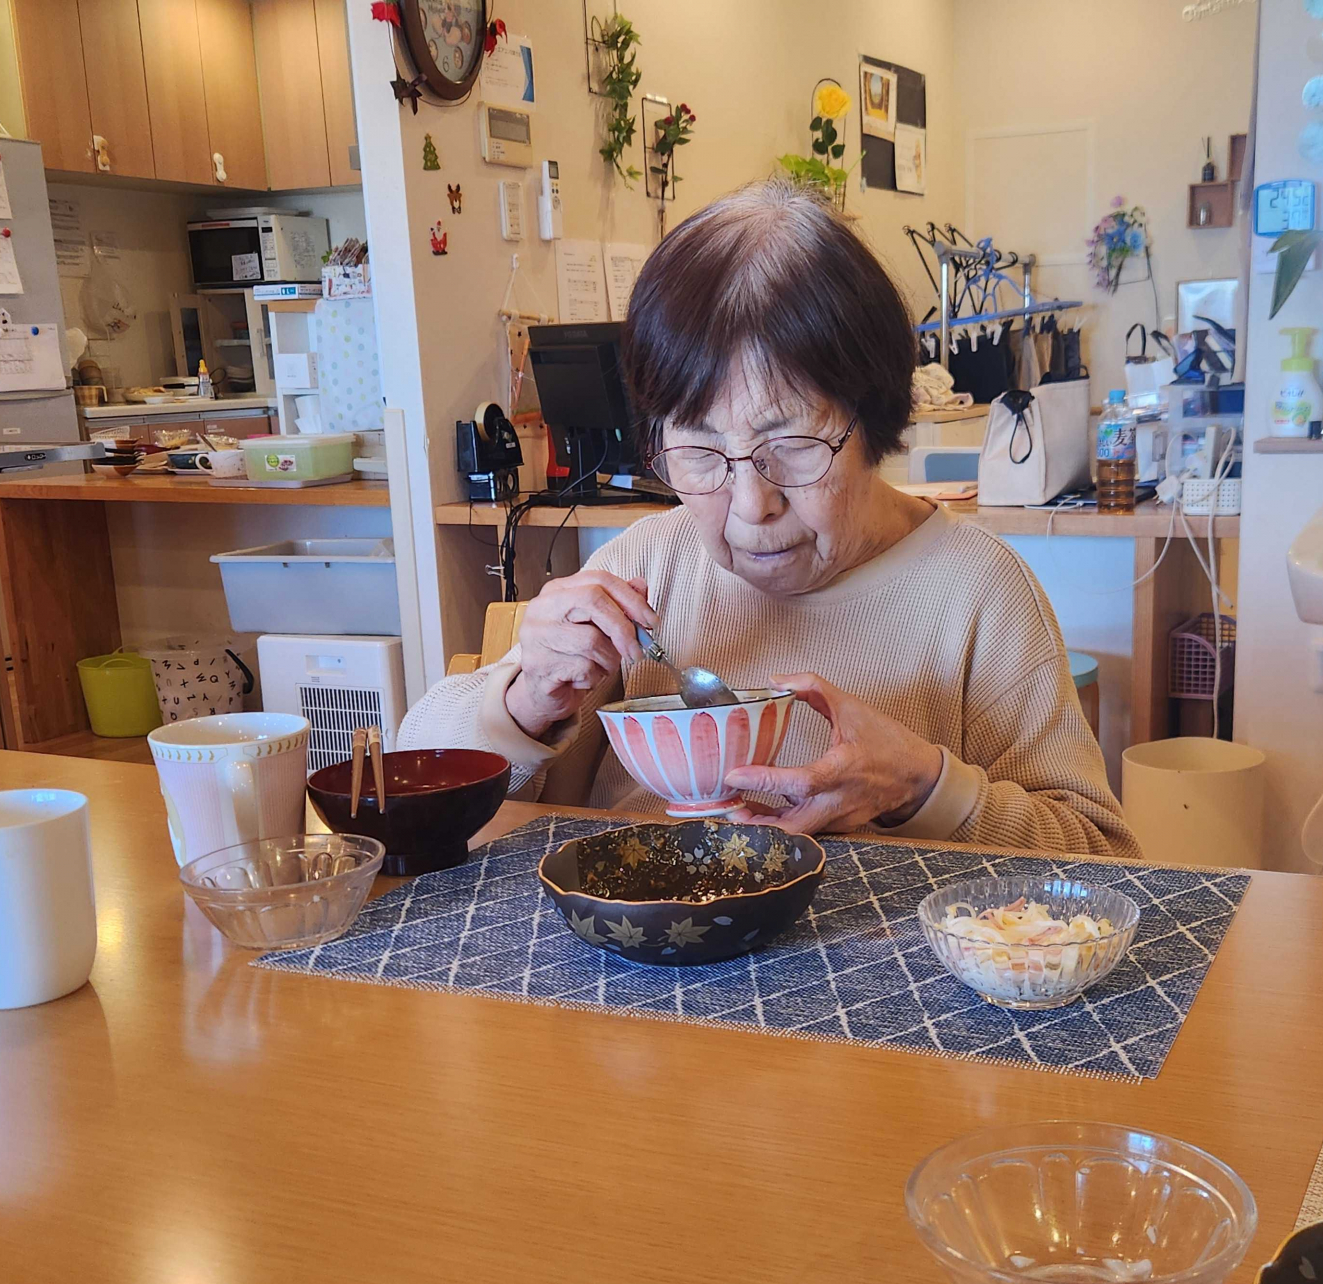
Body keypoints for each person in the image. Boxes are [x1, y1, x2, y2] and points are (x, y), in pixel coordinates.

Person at [399, 179, 1138, 858]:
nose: (753, 505)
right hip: (635, 948)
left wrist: (925, 787)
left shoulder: (979, 593)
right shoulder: (644, 568)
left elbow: (1104, 861)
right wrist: (527, 699)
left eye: (792, 446)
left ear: (875, 422)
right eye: (700, 452)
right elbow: (411, 773)